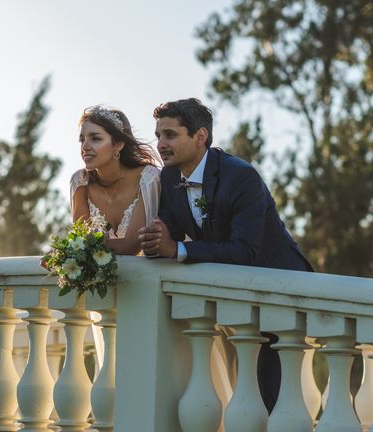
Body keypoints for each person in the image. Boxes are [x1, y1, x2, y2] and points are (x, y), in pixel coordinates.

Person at [139, 97, 314, 413]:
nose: (160, 144)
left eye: (170, 135)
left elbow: (246, 250)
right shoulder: (168, 177)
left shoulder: (241, 176)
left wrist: (177, 249)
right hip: (230, 292)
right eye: (158, 135)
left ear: (200, 136)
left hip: (280, 288)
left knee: (270, 393)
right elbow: (173, 234)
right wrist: (155, 242)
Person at [70, 105, 160, 254]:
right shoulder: (80, 181)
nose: (85, 147)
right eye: (82, 140)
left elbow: (132, 245)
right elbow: (80, 240)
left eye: (95, 139)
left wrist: (72, 250)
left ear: (118, 144)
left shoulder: (148, 178)